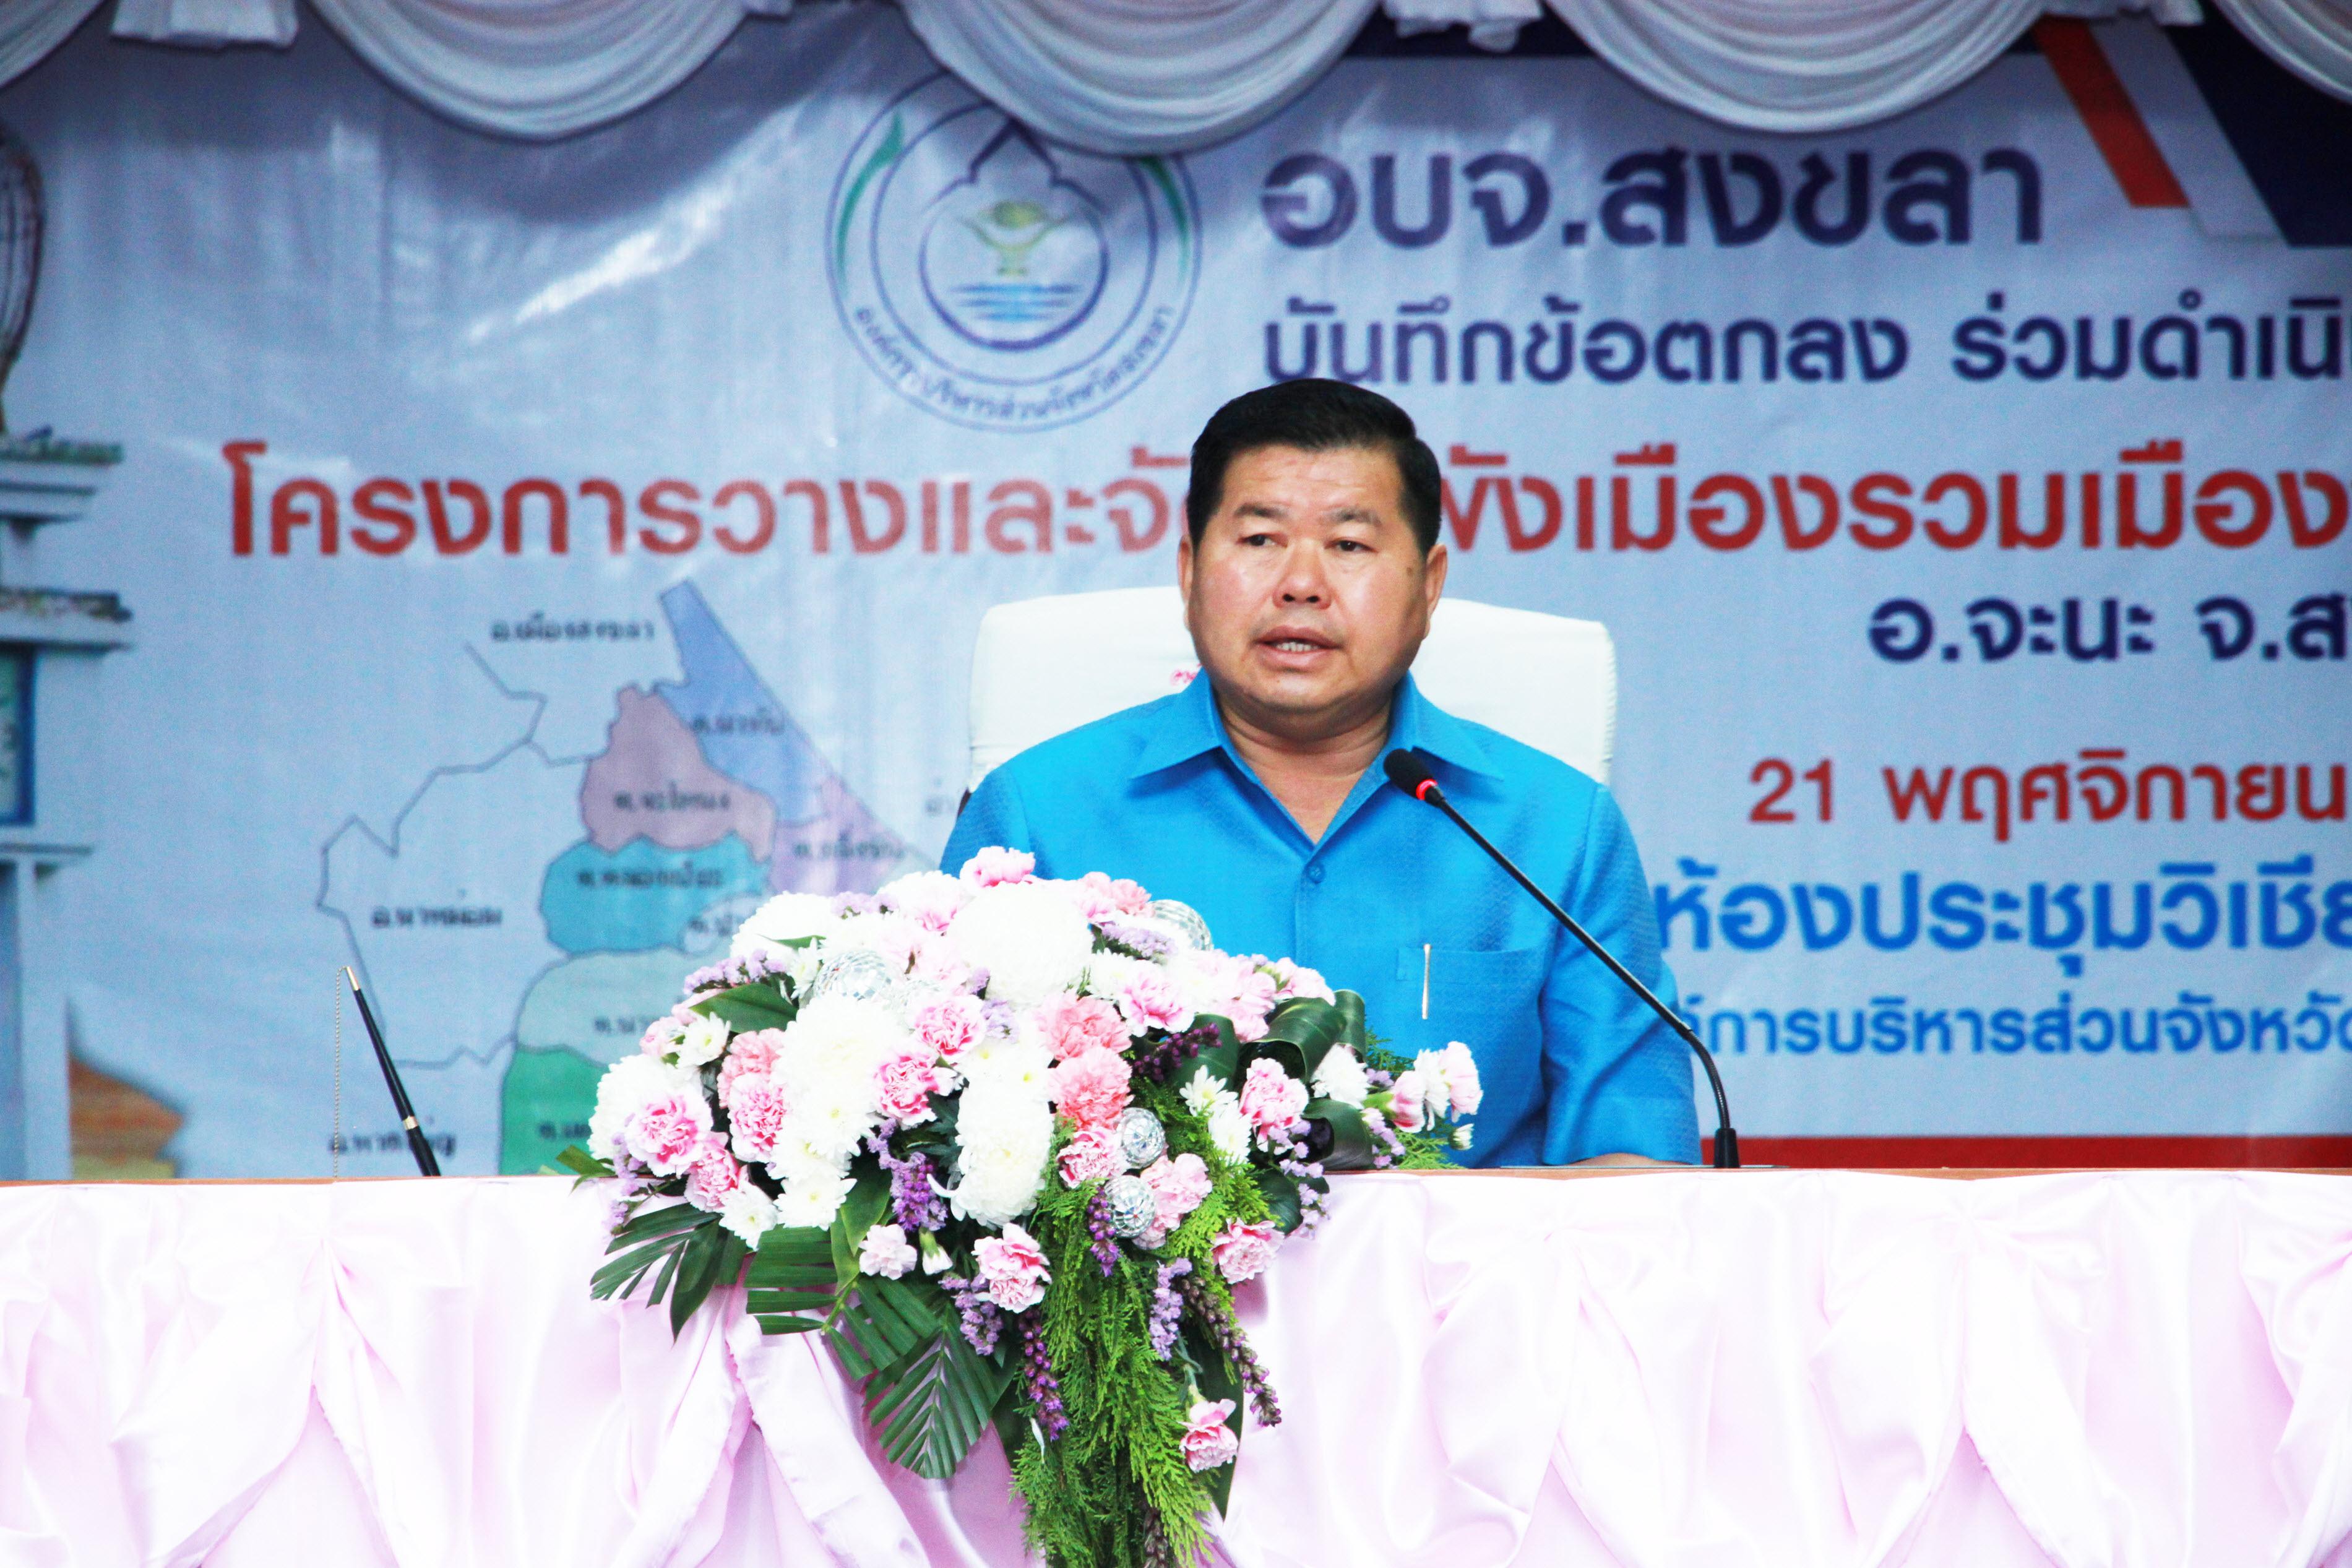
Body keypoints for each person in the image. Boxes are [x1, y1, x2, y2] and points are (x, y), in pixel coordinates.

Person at [942, 379, 1695, 1166]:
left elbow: (1641, 1169)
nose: (1301, 582)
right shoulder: (1038, 816)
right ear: (1190, 569)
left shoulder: (1556, 830)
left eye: (1349, 545)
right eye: (1260, 539)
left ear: (1429, 584)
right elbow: (943, 1149)